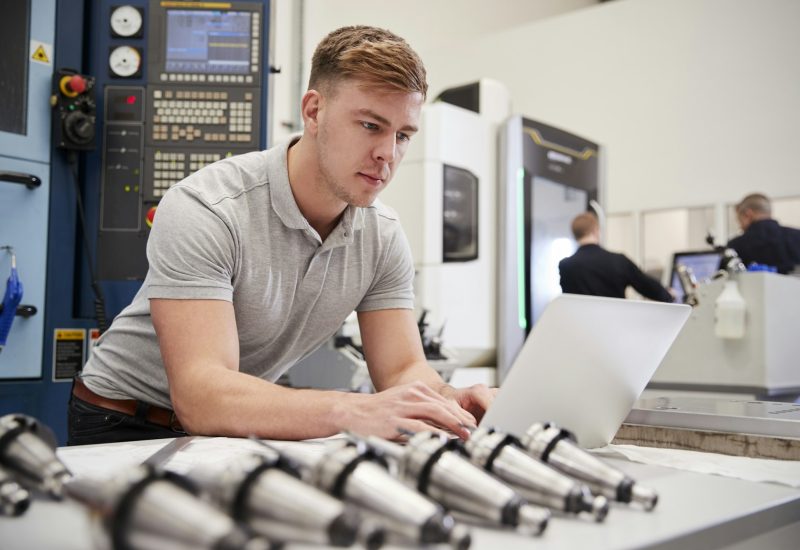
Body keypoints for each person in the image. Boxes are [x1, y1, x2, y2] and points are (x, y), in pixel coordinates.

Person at [68, 26, 494, 446]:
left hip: (229, 424)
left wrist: (449, 400)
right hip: (123, 418)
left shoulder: (382, 236)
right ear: (313, 111)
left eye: (402, 136)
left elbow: (402, 370)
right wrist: (350, 410)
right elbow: (202, 395)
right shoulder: (209, 207)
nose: (388, 153)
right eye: (370, 125)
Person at [559, 212, 673, 302]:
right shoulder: (618, 261)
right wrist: (668, 295)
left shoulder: (565, 266)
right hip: (615, 327)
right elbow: (646, 286)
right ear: (596, 231)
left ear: (575, 235)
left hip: (581, 328)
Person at [726, 193, 800, 274]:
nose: (740, 227)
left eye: (740, 221)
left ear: (748, 214)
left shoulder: (736, 246)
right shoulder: (797, 236)